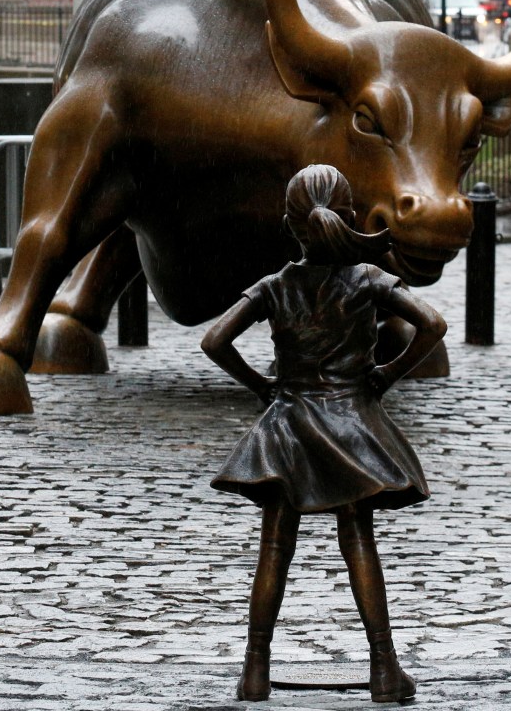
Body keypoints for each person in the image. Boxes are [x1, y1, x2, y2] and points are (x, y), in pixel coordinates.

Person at [201, 164, 446, 703]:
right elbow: (433, 324)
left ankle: (255, 670)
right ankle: (384, 670)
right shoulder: (367, 280)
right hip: (351, 424)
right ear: (349, 215)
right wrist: (385, 374)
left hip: (287, 421)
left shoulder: (275, 286)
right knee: (358, 538)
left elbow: (214, 341)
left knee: (274, 546)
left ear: (291, 226)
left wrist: (262, 387)